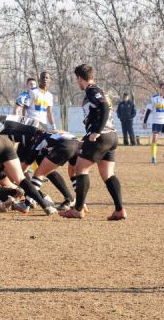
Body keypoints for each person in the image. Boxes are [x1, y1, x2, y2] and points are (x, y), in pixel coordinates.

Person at [60, 64, 126, 221]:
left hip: (101, 136)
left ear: (80, 78)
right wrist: (88, 136)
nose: (77, 83)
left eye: (77, 80)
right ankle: (119, 210)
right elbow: (99, 112)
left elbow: (104, 107)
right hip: (111, 136)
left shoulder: (92, 90)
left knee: (80, 170)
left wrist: (96, 131)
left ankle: (78, 210)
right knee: (108, 174)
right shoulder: (98, 90)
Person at [143, 83, 164, 163]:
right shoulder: (154, 98)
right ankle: (153, 157)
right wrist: (145, 121)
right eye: (162, 88)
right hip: (156, 122)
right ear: (160, 89)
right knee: (154, 140)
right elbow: (148, 110)